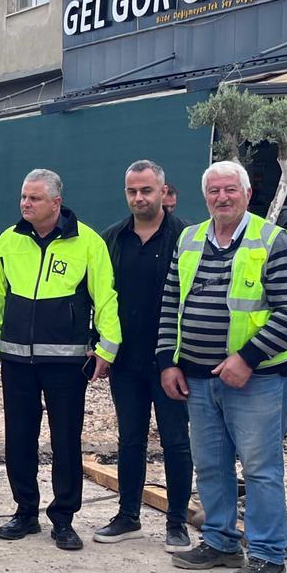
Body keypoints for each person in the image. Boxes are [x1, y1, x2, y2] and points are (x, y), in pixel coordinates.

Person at [161, 160, 287, 573]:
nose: (222, 198)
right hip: (198, 378)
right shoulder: (188, 239)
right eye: (214, 191)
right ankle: (220, 540)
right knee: (210, 465)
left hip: (257, 379)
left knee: (261, 469)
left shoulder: (271, 240)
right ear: (204, 196)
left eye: (230, 190)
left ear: (246, 193)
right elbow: (171, 304)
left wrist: (247, 358)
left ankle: (267, 554)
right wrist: (167, 361)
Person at [0, 169, 120, 551]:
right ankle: (25, 512)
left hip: (67, 362)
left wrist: (107, 348)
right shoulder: (8, 241)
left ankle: (63, 519)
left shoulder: (87, 242)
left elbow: (105, 298)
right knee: (19, 439)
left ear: (56, 202)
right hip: (16, 360)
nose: (26, 204)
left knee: (65, 441)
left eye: (34, 198)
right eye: (24, 197)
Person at [95, 160, 192, 552]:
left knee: (176, 442)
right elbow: (100, 298)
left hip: (172, 361)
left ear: (164, 192)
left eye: (146, 190)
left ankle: (177, 522)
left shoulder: (187, 238)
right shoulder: (112, 239)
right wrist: (99, 344)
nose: (139, 197)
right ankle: (128, 515)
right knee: (130, 440)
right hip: (126, 361)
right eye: (132, 191)